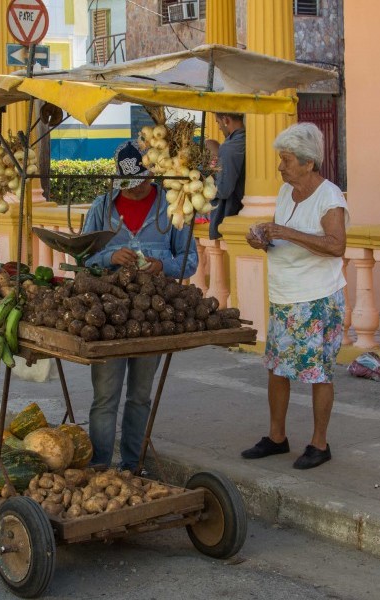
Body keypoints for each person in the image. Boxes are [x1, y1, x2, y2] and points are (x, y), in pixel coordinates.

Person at [82, 140, 198, 474]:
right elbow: (81, 257)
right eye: (128, 185)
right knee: (105, 397)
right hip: (105, 317)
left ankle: (134, 465)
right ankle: (100, 467)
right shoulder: (102, 208)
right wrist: (109, 257)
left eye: (142, 182)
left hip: (153, 315)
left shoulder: (173, 206)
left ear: (152, 176)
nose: (135, 190)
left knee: (140, 396)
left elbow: (190, 260)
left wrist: (162, 266)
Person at [242, 122, 348, 470]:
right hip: (285, 295)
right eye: (281, 159)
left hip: (317, 298)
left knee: (318, 372)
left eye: (286, 159)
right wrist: (264, 238)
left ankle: (320, 443)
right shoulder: (286, 191)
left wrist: (285, 230)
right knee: (277, 367)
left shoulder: (329, 196)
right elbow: (284, 237)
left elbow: (336, 246)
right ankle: (276, 437)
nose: (280, 166)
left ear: (308, 162)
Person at [209, 113, 245, 240]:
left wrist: (204, 182)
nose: (218, 127)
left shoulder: (229, 147)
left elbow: (222, 190)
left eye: (218, 122)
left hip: (229, 217)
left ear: (225, 120)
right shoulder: (249, 139)